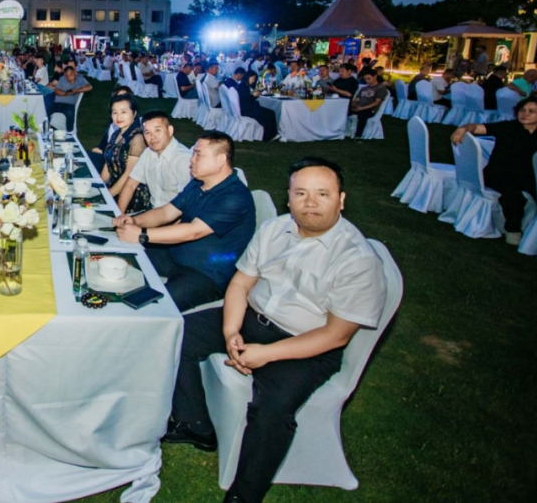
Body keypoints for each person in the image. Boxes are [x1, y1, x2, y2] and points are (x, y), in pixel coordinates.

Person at [164, 157, 386, 503]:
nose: (310, 202)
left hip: (307, 344)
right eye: (301, 193)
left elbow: (336, 335)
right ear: (289, 197)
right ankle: (195, 424)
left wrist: (266, 354)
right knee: (176, 333)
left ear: (341, 200)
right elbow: (240, 283)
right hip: (254, 318)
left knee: (271, 410)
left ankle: (244, 495)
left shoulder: (357, 258)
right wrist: (231, 332)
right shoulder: (274, 229)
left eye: (322, 194)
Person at [114, 131, 255, 313]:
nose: (191, 159)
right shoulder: (198, 183)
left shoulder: (235, 197)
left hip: (206, 274)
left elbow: (193, 231)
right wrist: (135, 220)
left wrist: (141, 235)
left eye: (198, 154)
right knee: (119, 258)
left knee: (153, 308)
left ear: (221, 160)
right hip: (174, 255)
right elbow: (166, 212)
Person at [452, 96, 537, 245]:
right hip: (499, 173)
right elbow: (476, 127)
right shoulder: (507, 127)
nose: (525, 114)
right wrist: (463, 128)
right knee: (514, 195)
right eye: (522, 110)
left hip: (529, 176)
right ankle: (512, 230)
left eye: (531, 111)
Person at [116, 110, 191, 211]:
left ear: (170, 130)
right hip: (151, 210)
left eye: (157, 130)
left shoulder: (184, 160)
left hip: (174, 215)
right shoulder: (148, 153)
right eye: (147, 132)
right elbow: (130, 185)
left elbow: (186, 203)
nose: (152, 137)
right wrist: (119, 215)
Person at [100, 95, 149, 213]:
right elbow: (108, 165)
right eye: (114, 112)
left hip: (131, 197)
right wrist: (97, 187)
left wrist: (106, 196)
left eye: (124, 112)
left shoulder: (137, 139)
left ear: (134, 113)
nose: (118, 117)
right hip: (113, 189)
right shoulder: (116, 134)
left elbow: (129, 174)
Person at [229, 67, 278, 141]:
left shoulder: (243, 85)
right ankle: (268, 135)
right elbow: (246, 101)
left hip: (246, 108)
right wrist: (253, 96)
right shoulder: (243, 87)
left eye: (254, 79)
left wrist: (254, 96)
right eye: (253, 79)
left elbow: (246, 99)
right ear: (248, 77)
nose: (253, 81)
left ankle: (271, 134)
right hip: (246, 110)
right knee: (268, 114)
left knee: (270, 112)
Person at [349, 68, 388, 139]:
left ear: (375, 76)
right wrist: (353, 104)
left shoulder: (381, 88)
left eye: (369, 78)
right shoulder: (364, 88)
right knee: (344, 110)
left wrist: (362, 108)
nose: (367, 80)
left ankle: (358, 135)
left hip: (370, 109)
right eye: (365, 79)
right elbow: (357, 100)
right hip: (359, 107)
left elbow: (376, 103)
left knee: (362, 115)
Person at [51, 66, 92, 132]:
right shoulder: (62, 79)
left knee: (69, 113)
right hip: (57, 103)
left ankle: (69, 132)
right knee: (45, 108)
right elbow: (56, 91)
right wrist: (67, 93)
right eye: (67, 75)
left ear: (75, 73)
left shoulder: (80, 80)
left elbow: (89, 87)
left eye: (71, 74)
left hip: (69, 105)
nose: (69, 77)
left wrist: (76, 90)